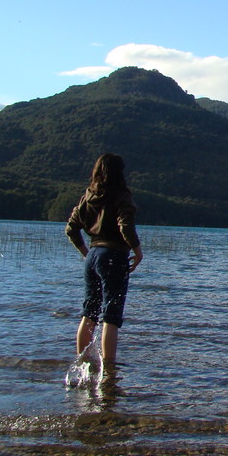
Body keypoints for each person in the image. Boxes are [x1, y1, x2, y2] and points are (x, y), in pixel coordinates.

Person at [65, 153, 143, 367]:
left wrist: (86, 253)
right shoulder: (121, 196)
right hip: (114, 256)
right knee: (111, 315)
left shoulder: (89, 196)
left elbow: (71, 229)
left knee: (89, 312)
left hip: (93, 256)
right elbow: (125, 225)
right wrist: (137, 250)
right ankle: (108, 370)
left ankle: (82, 363)